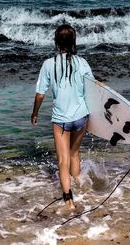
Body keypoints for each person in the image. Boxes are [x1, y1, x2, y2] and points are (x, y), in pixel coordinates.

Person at [31, 24, 94, 211]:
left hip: (61, 120)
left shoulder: (49, 64)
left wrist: (35, 113)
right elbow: (93, 90)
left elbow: (40, 94)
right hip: (82, 117)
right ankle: (79, 185)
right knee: (74, 153)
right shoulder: (82, 62)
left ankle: (69, 200)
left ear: (56, 42)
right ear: (73, 41)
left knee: (62, 160)